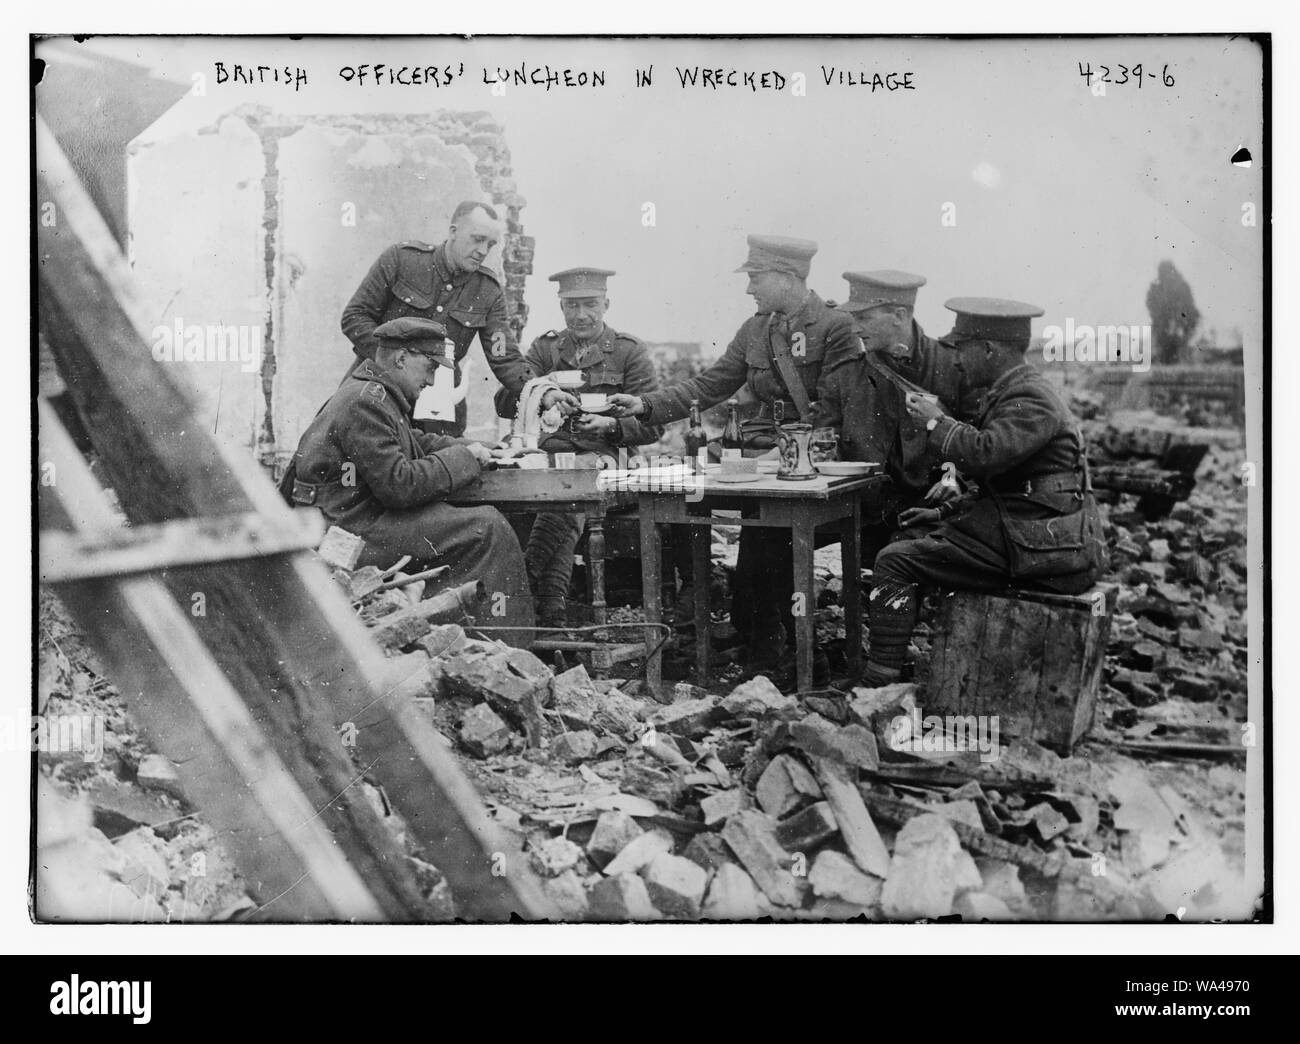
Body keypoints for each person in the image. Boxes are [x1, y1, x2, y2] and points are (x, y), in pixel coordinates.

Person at [608, 235, 862, 685]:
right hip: (765, 461)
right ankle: (745, 640)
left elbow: (835, 408)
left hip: (823, 466)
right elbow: (708, 386)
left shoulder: (835, 327)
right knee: (707, 511)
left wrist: (780, 451)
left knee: (767, 546)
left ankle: (778, 651)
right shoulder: (756, 330)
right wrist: (645, 405)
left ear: (786, 277)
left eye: (755, 278)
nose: (750, 290)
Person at [857, 298, 1109, 686]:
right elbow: (1008, 485)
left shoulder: (1031, 397)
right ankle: (897, 662)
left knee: (894, 561)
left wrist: (935, 424)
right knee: (907, 537)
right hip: (1034, 534)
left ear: (989, 350)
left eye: (961, 349)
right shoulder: (1013, 390)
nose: (955, 361)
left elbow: (985, 456)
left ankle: (877, 685)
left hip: (1045, 551)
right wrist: (941, 515)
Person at [284, 317, 536, 645]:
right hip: (347, 530)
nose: (432, 381)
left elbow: (413, 442)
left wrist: (484, 449)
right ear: (402, 358)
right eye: (430, 367)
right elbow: (399, 486)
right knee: (487, 528)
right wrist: (467, 459)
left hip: (350, 516)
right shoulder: (367, 401)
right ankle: (503, 645)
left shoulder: (373, 393)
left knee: (472, 522)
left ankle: (460, 632)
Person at [495, 268, 663, 628]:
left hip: (609, 460)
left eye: (590, 305)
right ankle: (553, 612)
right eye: (571, 306)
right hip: (553, 459)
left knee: (571, 489)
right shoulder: (545, 349)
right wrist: (541, 393)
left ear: (606, 304)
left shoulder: (627, 352)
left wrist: (612, 426)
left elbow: (654, 423)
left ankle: (526, 578)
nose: (581, 315)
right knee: (563, 494)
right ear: (561, 305)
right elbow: (505, 402)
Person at [340, 200, 535, 436]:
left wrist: (539, 391)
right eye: (477, 239)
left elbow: (502, 353)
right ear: (453, 231)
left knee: (443, 464)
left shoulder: (488, 290)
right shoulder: (402, 261)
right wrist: (394, 362)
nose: (483, 251)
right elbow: (355, 316)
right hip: (378, 389)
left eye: (490, 244)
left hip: (439, 404)